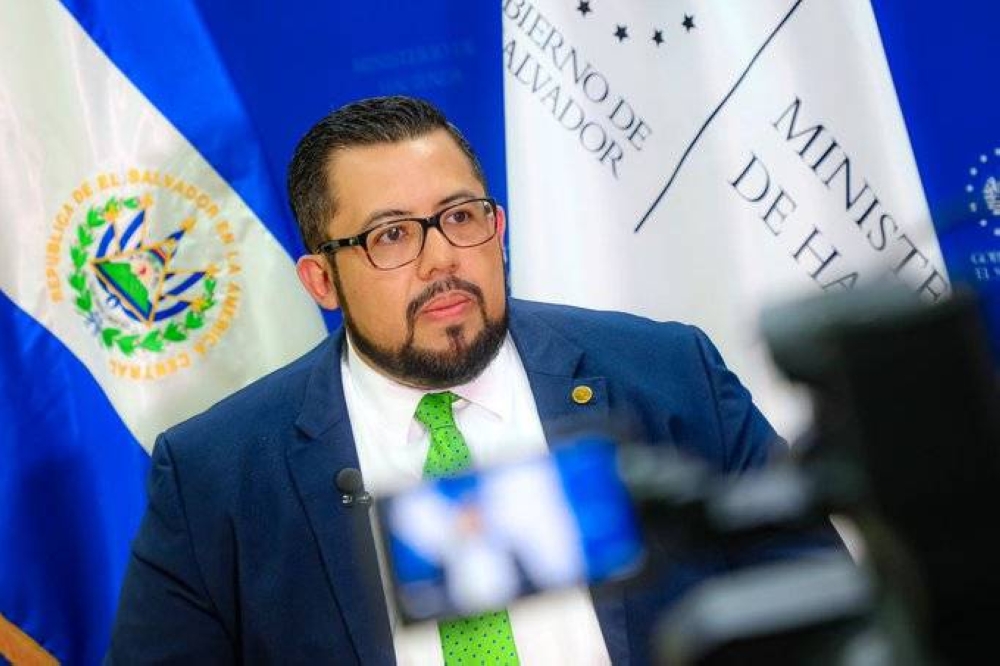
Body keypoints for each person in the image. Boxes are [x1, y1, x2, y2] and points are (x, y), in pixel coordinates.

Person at [107, 96, 834, 665]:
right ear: (321, 280)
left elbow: (814, 604)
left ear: (499, 227)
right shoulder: (216, 477)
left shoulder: (669, 375)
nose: (442, 259)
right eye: (392, 235)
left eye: (460, 216)